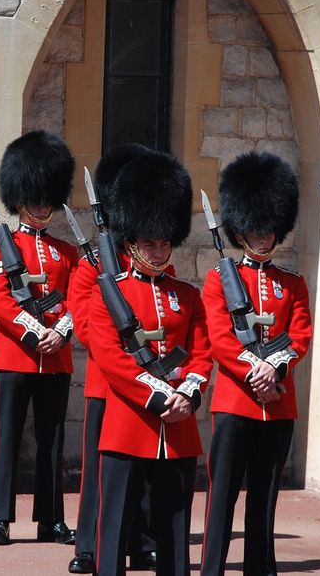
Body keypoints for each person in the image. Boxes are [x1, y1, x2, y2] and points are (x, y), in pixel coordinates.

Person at [86, 151, 213, 576]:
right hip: (128, 425)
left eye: (164, 242)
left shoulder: (187, 295)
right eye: (149, 243)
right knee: (115, 531)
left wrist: (190, 393)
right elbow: (110, 359)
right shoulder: (110, 294)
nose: (158, 251)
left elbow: (202, 351)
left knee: (174, 533)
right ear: (131, 242)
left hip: (178, 429)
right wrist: (161, 395)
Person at [199, 152, 312, 576]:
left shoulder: (292, 284)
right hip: (234, 403)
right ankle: (211, 568)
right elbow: (220, 339)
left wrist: (276, 368)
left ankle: (259, 569)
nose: (263, 236)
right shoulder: (219, 281)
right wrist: (255, 372)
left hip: (278, 404)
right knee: (222, 494)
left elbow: (300, 335)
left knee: (264, 497)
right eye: (255, 228)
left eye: (269, 228)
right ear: (240, 228)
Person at [0, 131, 78, 548]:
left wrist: (62, 330)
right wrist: (34, 329)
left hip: (55, 358)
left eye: (47, 198)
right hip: (16, 356)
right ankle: (0, 518)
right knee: (8, 436)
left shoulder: (66, 252)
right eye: (35, 198)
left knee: (52, 439)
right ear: (20, 200)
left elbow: (82, 300)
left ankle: (51, 519)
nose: (42, 206)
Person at [67, 143, 157, 574]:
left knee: (142, 471)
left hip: (150, 381)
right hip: (107, 382)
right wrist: (122, 352)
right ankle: (89, 544)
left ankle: (140, 541)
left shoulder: (156, 268)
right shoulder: (93, 266)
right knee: (99, 470)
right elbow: (84, 323)